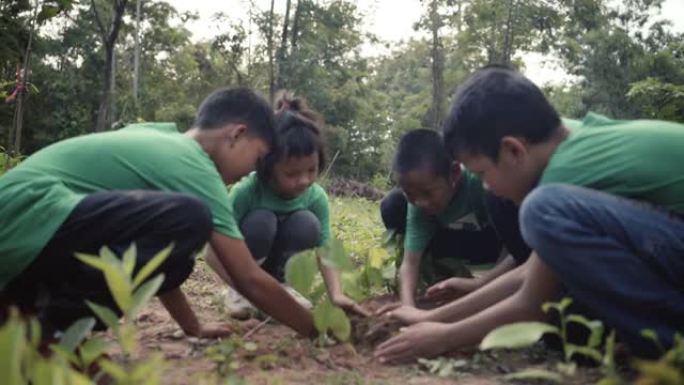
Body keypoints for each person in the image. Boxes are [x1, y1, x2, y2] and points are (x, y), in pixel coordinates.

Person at [374, 65, 684, 363]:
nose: (487, 187)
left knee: (540, 210)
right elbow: (532, 273)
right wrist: (429, 316)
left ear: (513, 151)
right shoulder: (566, 141)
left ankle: (671, 345)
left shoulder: (564, 174)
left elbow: (530, 302)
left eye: (482, 173)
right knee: (564, 323)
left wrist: (443, 335)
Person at [0, 87, 317, 339]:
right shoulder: (194, 165)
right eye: (258, 156)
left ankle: (20, 310)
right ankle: (54, 334)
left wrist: (193, 326)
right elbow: (247, 277)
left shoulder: (160, 137)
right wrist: (319, 328)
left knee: (176, 259)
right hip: (28, 217)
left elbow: (155, 263)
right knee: (192, 217)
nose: (253, 169)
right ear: (236, 135)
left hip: (24, 228)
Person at [206, 92, 368, 318]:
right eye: (291, 173)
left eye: (311, 170)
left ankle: (284, 286)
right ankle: (239, 294)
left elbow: (326, 250)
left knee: (307, 223)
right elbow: (212, 250)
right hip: (244, 271)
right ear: (266, 166)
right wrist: (240, 284)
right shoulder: (247, 192)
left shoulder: (315, 197)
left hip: (279, 268)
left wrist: (337, 294)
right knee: (262, 221)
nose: (303, 180)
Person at [378, 129, 526, 310]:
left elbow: (519, 248)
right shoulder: (417, 201)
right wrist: (408, 306)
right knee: (392, 204)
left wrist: (482, 284)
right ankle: (442, 272)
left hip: (494, 241)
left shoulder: (482, 182)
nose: (420, 202)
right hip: (456, 240)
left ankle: (494, 276)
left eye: (428, 192)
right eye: (410, 194)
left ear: (455, 173)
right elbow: (410, 262)